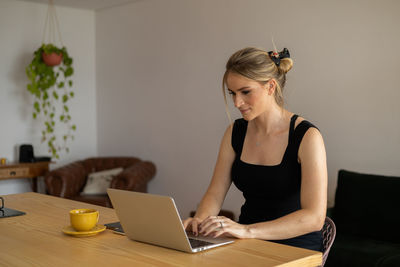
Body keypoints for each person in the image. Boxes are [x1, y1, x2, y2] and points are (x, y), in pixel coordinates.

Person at [183, 47, 327, 252]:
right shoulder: (235, 132)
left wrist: (246, 231)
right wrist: (199, 222)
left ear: (270, 86)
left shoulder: (307, 136)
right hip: (246, 242)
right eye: (232, 93)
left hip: (295, 248)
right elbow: (215, 193)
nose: (236, 102)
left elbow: (314, 218)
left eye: (245, 92)